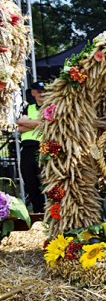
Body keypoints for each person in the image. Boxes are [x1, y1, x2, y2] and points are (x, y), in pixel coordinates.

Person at [16, 81, 46, 212]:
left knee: (44, 182)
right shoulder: (28, 108)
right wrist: (39, 123)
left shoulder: (51, 107)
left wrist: (28, 123)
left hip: (42, 147)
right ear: (33, 93)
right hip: (27, 148)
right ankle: (38, 213)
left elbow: (47, 123)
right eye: (38, 91)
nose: (41, 93)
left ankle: (50, 214)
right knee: (30, 182)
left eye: (44, 91)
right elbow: (20, 125)